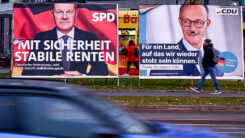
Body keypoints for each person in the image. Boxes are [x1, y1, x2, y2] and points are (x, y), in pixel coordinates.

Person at [22, 3, 108, 76]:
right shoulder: (41, 38)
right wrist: (53, 78)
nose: (65, 17)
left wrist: (82, 76)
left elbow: (102, 70)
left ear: (76, 14)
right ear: (52, 14)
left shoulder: (88, 38)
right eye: (59, 12)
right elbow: (28, 70)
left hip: (78, 86)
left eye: (69, 12)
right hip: (52, 88)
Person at [150, 5, 223, 76]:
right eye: (186, 21)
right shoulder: (163, 61)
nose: (192, 29)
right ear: (180, 22)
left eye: (198, 22)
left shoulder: (219, 56)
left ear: (207, 24)